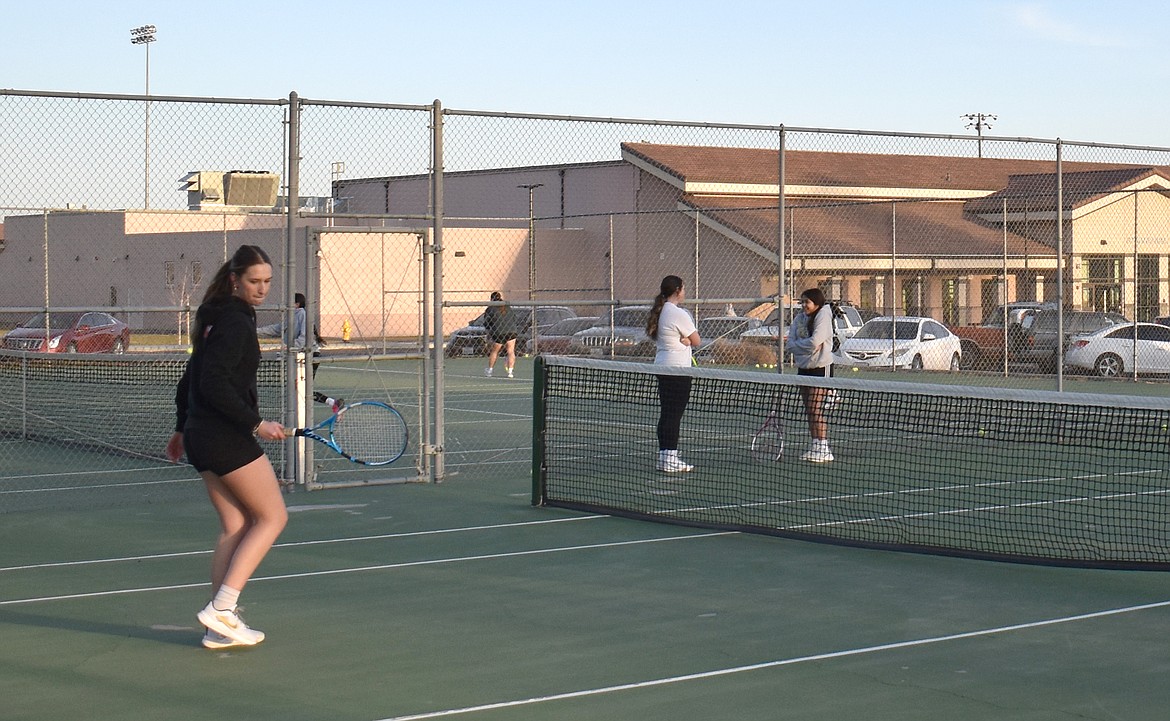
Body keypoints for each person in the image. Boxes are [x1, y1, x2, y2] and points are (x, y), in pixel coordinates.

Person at [165, 244, 289, 649]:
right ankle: (223, 608)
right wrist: (257, 423)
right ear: (235, 279)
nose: (262, 289)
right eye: (254, 281)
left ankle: (217, 626)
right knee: (272, 518)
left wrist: (184, 427)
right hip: (223, 436)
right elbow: (212, 383)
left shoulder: (212, 318)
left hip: (202, 436)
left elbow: (190, 377)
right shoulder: (235, 322)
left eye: (267, 281)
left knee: (235, 525)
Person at [646, 275, 700, 473]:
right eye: (684, 288)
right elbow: (696, 340)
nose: (685, 292)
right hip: (677, 371)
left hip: (663, 368)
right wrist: (687, 340)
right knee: (674, 415)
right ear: (678, 290)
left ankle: (664, 457)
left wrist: (685, 340)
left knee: (667, 413)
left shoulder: (662, 312)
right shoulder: (678, 313)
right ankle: (670, 458)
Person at [785, 288, 835, 463]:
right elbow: (789, 344)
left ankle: (824, 448)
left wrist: (802, 344)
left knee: (815, 408)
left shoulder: (823, 316)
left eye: (807, 302)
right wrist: (806, 346)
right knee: (809, 409)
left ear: (817, 303)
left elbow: (816, 341)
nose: (804, 305)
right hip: (803, 368)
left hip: (820, 367)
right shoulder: (799, 318)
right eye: (802, 302)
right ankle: (815, 445)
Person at [483, 291, 518, 378]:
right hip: (511, 331)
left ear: (491, 299)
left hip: (499, 332)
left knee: (495, 351)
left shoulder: (490, 309)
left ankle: (490, 370)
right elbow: (514, 318)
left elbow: (487, 323)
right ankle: (510, 372)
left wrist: (489, 331)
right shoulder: (507, 306)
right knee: (510, 351)